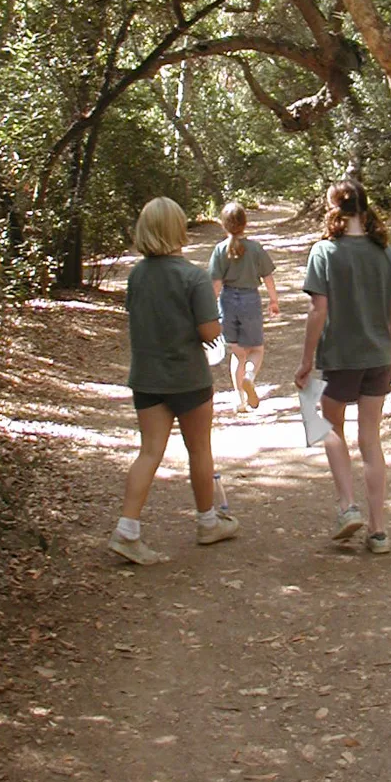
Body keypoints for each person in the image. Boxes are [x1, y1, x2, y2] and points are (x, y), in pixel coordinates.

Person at [108, 197, 240, 565]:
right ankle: (207, 522)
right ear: (177, 230)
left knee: (149, 451)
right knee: (199, 449)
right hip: (187, 378)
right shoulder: (192, 276)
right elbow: (209, 330)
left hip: (147, 378)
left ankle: (127, 529)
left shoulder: (136, 275)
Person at [294, 179, 391, 554]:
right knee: (370, 440)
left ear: (333, 209)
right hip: (376, 355)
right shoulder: (383, 252)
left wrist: (307, 360)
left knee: (328, 426)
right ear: (363, 207)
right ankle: (378, 531)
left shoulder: (324, 252)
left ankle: (347, 506)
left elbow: (318, 310)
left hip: (339, 357)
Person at [209, 201, 280, 412]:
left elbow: (216, 284)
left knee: (238, 353)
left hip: (228, 301)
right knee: (256, 349)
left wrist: (210, 309)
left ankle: (240, 400)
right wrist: (274, 301)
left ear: (224, 225)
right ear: (245, 224)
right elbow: (268, 277)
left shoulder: (220, 249)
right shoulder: (255, 248)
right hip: (250, 300)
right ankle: (249, 376)